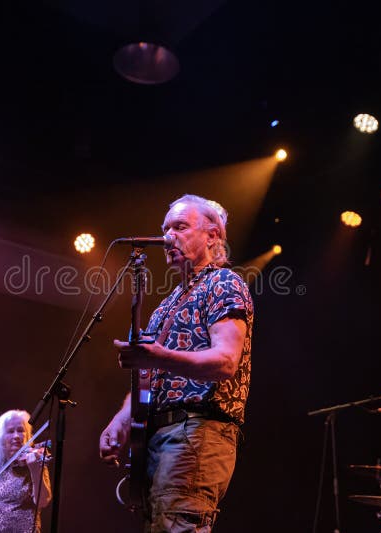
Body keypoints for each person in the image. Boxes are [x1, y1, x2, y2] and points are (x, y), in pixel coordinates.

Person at [99, 194, 254, 532]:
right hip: (160, 437)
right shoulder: (166, 304)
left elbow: (226, 361)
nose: (168, 237)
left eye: (180, 227)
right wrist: (121, 421)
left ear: (213, 235)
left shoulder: (224, 283)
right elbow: (147, 377)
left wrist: (159, 356)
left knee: (179, 526)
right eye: (165, 229)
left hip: (196, 431)